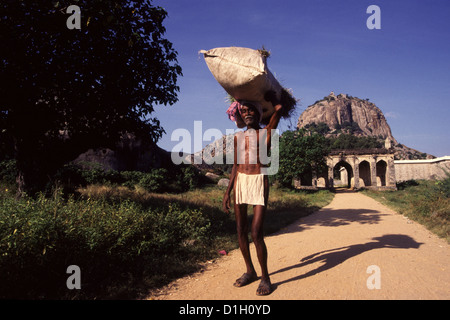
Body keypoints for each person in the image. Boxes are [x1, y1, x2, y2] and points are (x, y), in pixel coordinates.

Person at [223, 92, 282, 296]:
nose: (247, 113)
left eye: (251, 110)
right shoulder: (238, 137)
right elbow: (235, 165)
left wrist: (271, 97)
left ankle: (265, 277)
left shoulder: (265, 132)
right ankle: (250, 271)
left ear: (258, 113)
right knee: (240, 230)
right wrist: (227, 191)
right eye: (244, 110)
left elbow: (279, 110)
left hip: (258, 180)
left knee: (256, 232)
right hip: (240, 182)